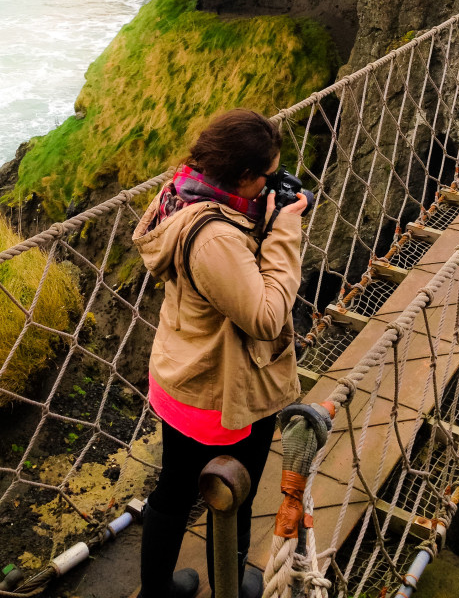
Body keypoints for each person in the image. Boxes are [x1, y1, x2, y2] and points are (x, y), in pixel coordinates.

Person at [132, 108, 307, 598]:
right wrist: (284, 230)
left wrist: (268, 213)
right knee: (233, 494)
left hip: (183, 372)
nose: (278, 183)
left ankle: (156, 591)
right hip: (219, 393)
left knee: (175, 488)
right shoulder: (215, 238)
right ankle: (229, 590)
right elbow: (267, 317)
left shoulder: (185, 189)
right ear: (245, 176)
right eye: (270, 176)